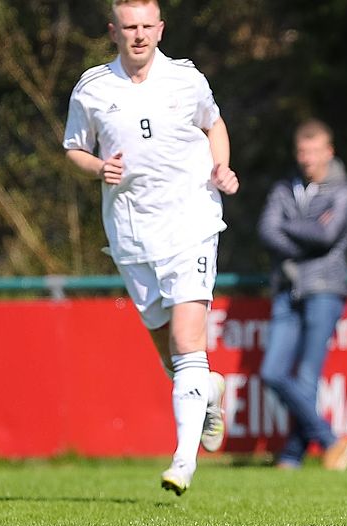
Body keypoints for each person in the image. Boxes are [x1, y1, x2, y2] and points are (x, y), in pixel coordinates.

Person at [62, 0, 238, 496]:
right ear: (113, 31)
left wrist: (221, 167)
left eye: (146, 26)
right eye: (129, 27)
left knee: (187, 340)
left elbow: (214, 124)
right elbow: (74, 148)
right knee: (169, 350)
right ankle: (209, 391)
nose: (138, 35)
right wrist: (100, 167)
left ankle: (183, 461)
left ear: (160, 29)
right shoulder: (93, 88)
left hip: (191, 222)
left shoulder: (186, 79)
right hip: (131, 232)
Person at [258, 119, 347, 471]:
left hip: (325, 288)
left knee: (306, 377)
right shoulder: (284, 188)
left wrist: (286, 228)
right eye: (302, 151)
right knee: (272, 372)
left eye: (314, 151)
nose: (307, 158)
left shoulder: (343, 191)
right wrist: (306, 235)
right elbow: (266, 230)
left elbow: (327, 236)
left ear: (329, 152)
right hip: (286, 286)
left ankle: (291, 456)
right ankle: (330, 441)